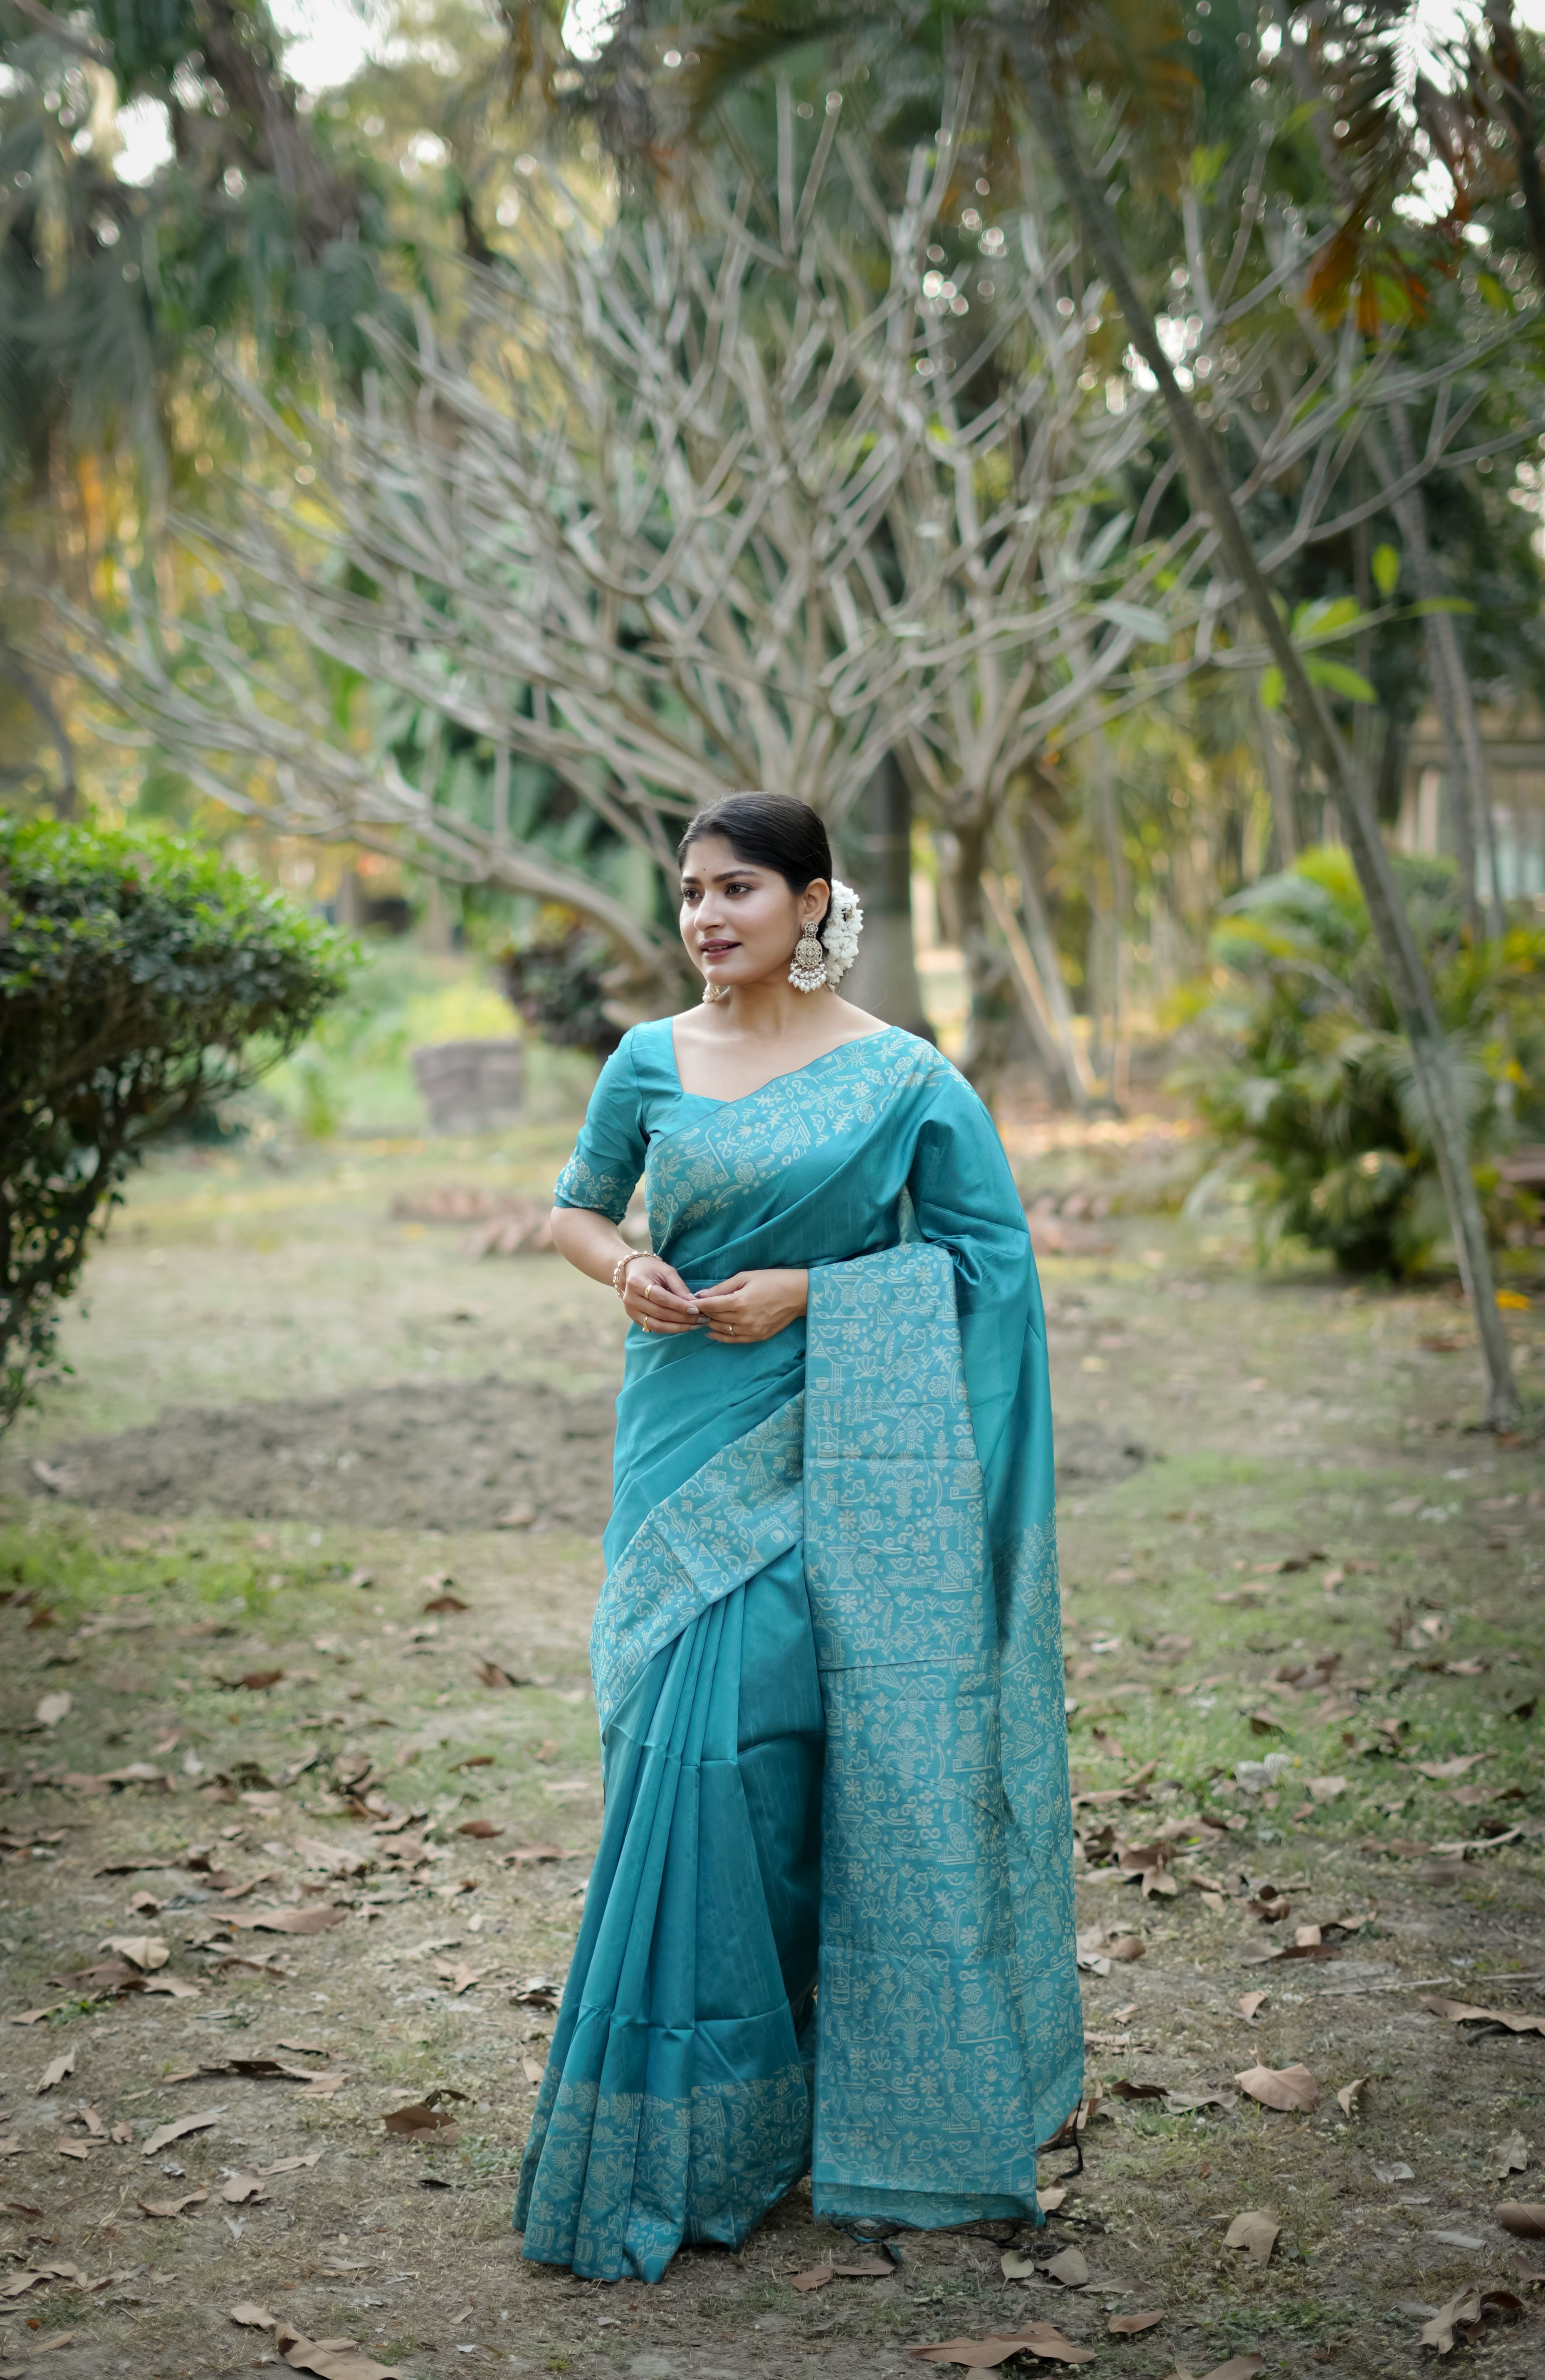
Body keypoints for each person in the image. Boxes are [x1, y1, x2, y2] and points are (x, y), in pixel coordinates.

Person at [513, 790, 1080, 2284]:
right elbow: (570, 1211)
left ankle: (809, 2092)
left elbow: (988, 1265)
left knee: (779, 1752)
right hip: (680, 1433)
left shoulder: (903, 1079)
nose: (705, 916)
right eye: (690, 890)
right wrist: (623, 1265)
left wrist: (815, 1292)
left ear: (812, 900)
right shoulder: (649, 1058)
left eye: (738, 889)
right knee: (680, 1748)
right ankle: (708, 2113)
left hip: (845, 1449)